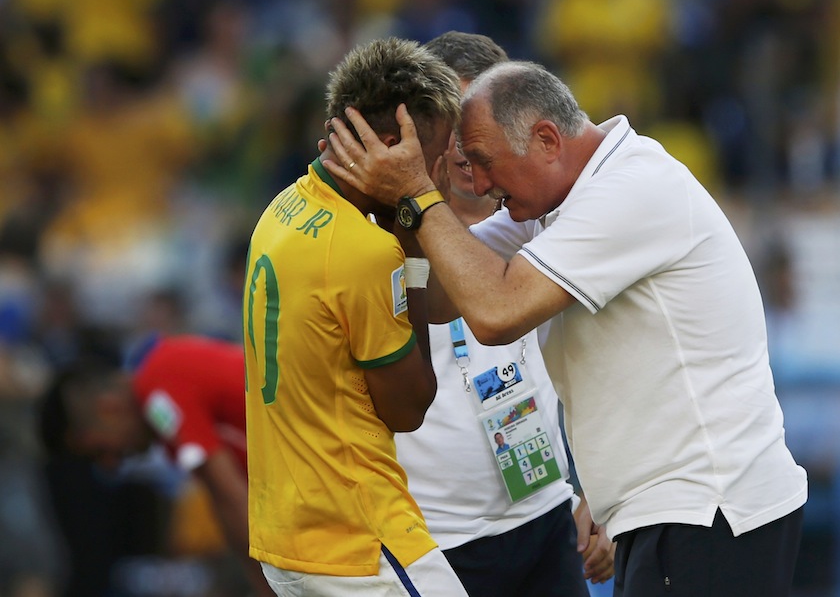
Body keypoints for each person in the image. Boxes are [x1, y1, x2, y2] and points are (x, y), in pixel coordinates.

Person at [323, 60, 809, 597]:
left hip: (708, 509)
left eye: (484, 162)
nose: (480, 185)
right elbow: (444, 296)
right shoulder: (558, 201)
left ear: (547, 140)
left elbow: (495, 315)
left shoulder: (634, 187)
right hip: (680, 511)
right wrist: (404, 210)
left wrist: (417, 192)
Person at [242, 38, 468, 596]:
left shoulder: (281, 208)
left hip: (286, 534)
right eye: (435, 156)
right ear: (392, 146)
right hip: (359, 538)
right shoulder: (365, 251)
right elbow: (410, 407)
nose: (438, 176)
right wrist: (409, 231)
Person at [393, 31, 613, 597]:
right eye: (454, 128)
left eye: (482, 130)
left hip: (546, 515)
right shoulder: (382, 240)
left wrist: (597, 489)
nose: (467, 149)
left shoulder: (545, 218)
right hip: (434, 540)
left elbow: (595, 364)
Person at [38, 334, 275, 597]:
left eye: (100, 451)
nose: (110, 465)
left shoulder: (158, 391)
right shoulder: (161, 397)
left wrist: (273, 589)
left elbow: (231, 498)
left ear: (109, 409)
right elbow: (225, 506)